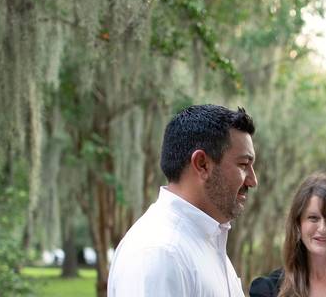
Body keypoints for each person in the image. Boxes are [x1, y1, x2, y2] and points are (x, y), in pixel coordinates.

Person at [107, 104, 258, 297]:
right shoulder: (161, 253)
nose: (253, 180)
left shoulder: (203, 241)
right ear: (202, 164)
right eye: (243, 165)